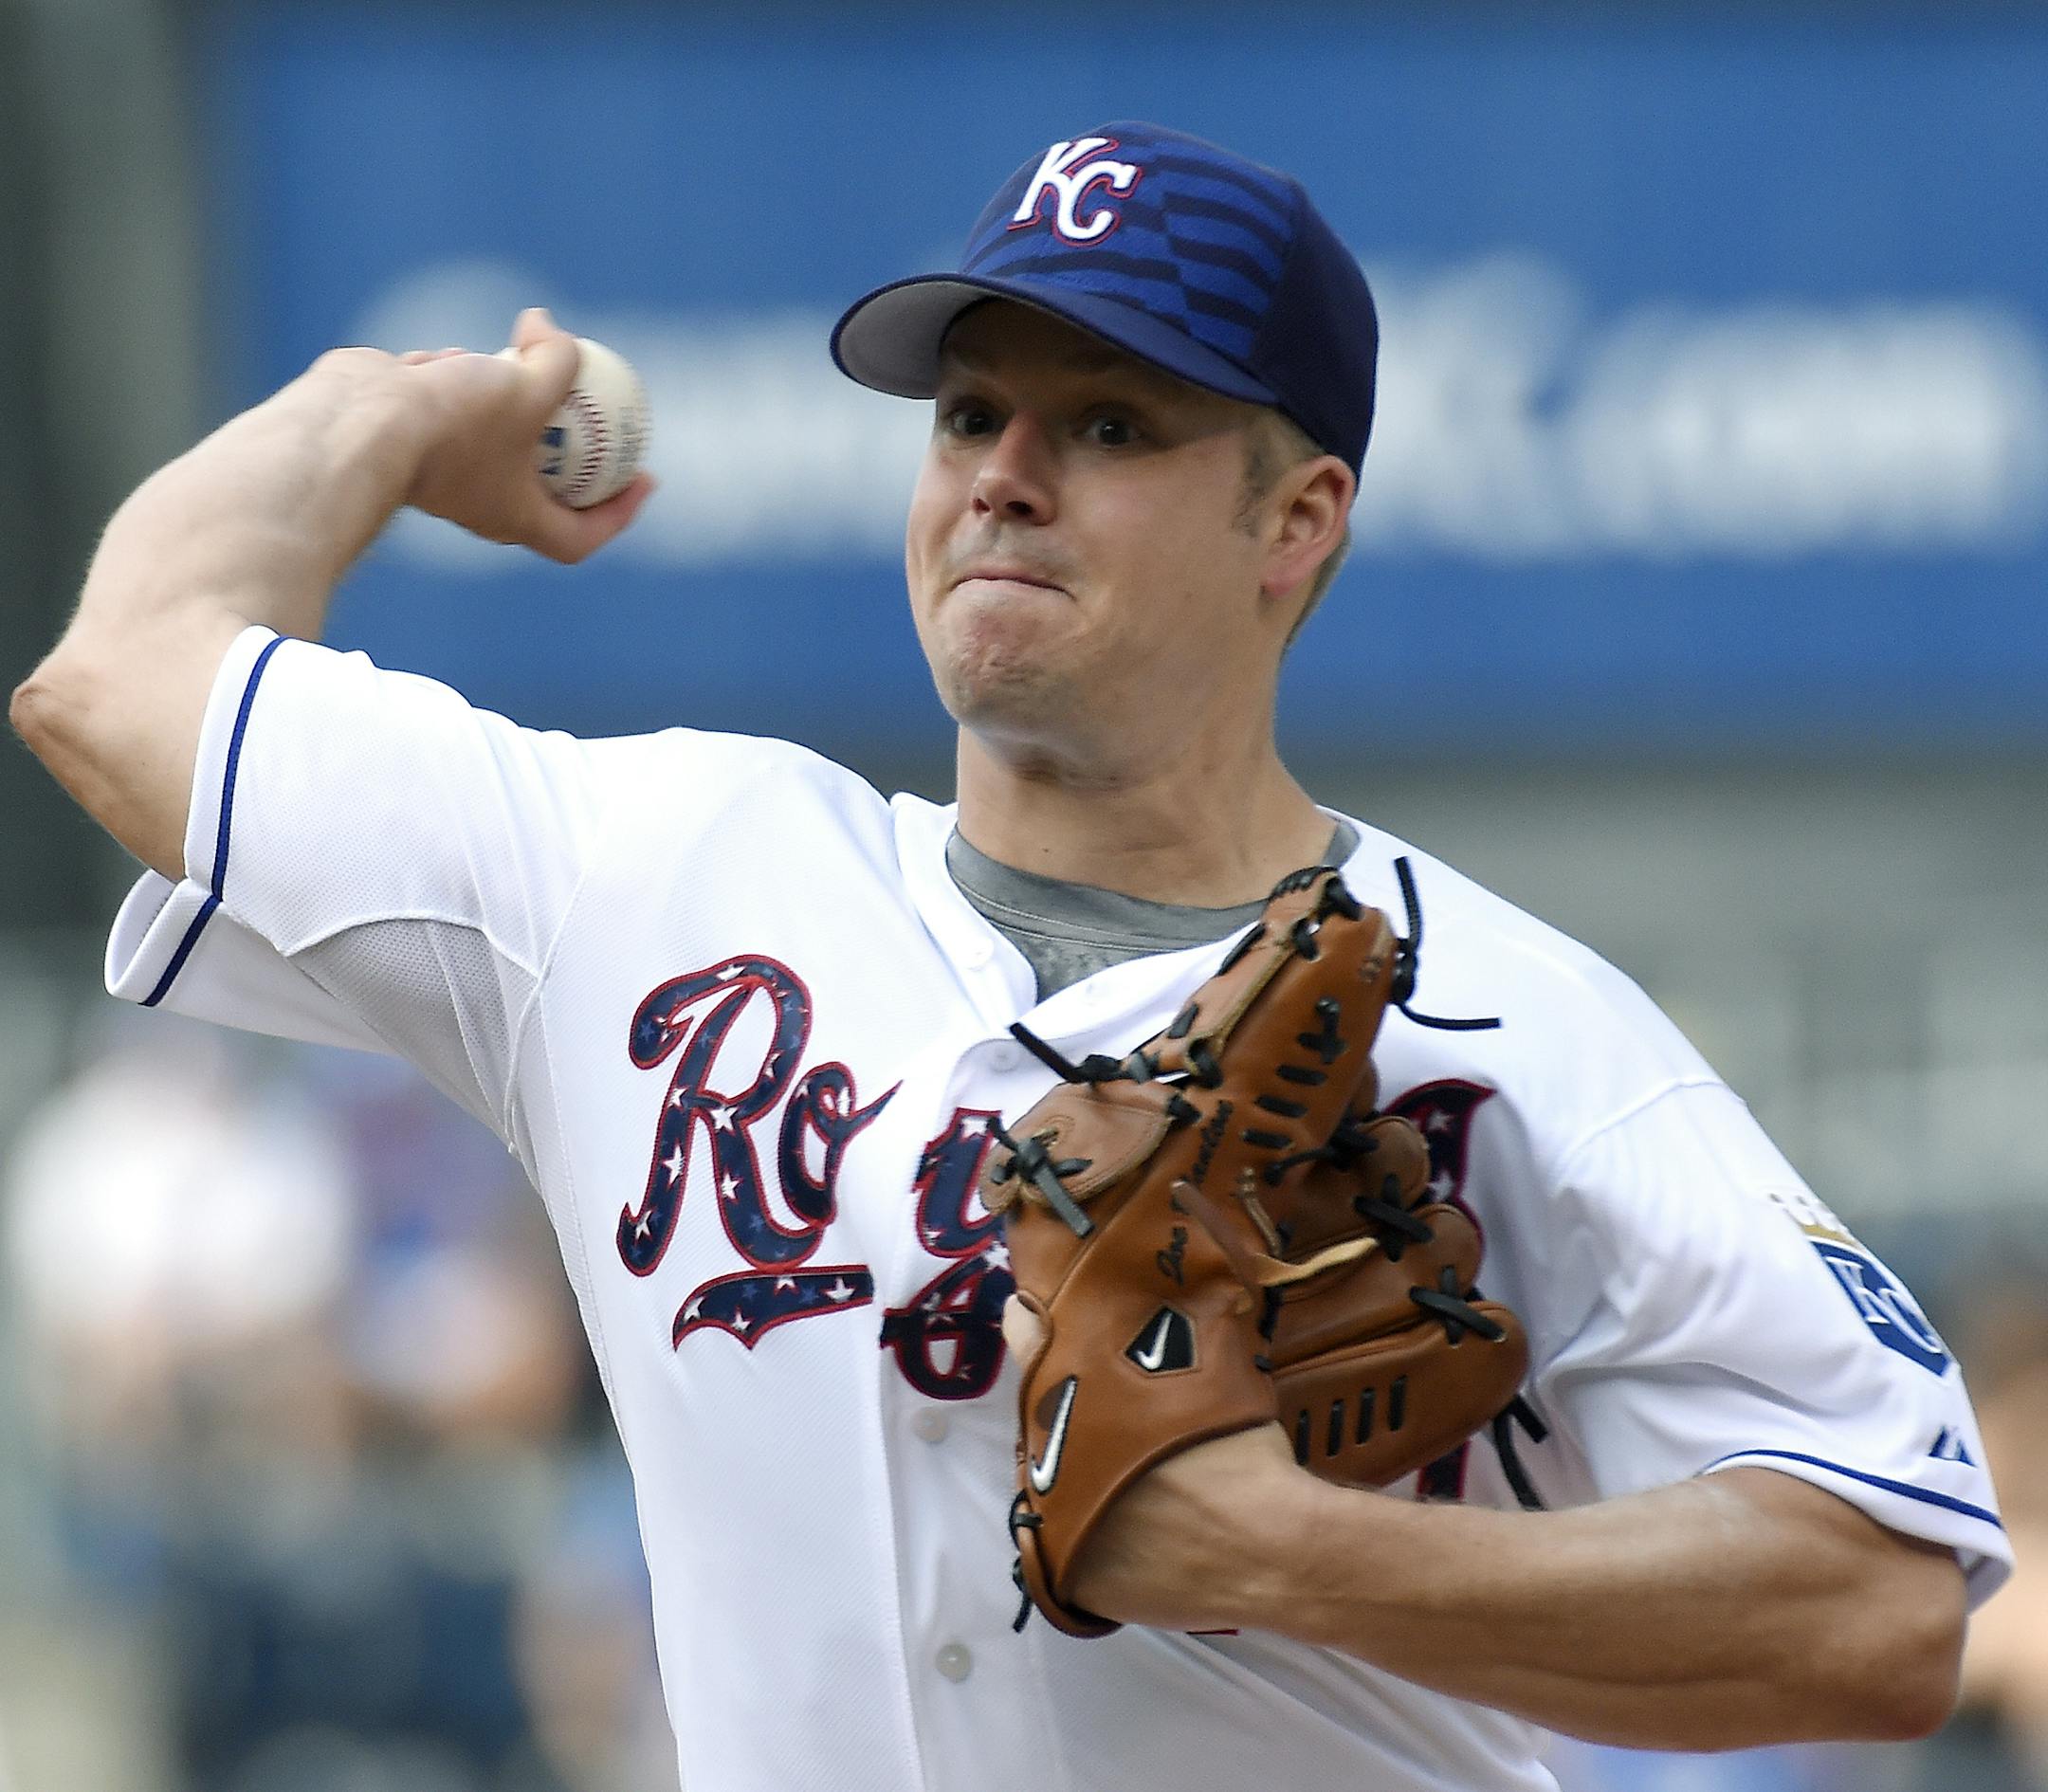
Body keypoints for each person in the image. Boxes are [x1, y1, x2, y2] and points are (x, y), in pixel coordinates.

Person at [11, 120, 2007, 1792]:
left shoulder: (1506, 1026)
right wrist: (391, 413)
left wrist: (1293, 1556)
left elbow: (1885, 1608)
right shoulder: (655, 870)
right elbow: (118, 683)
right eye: (970, 409)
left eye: (1109, 420)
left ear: (1295, 517)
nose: (1002, 471)